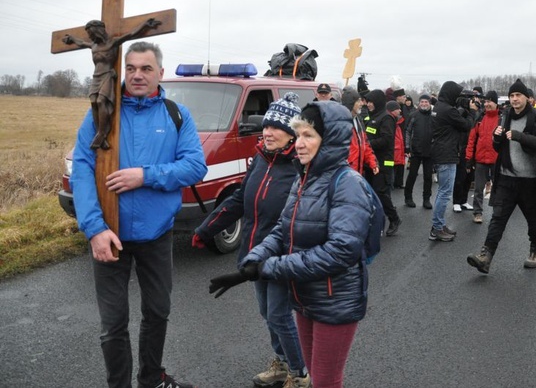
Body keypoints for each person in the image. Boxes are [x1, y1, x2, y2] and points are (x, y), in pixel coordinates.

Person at [71, 41, 207, 388]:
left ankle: (151, 378)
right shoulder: (102, 113)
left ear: (160, 73)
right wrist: (94, 229)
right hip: (109, 234)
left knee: (158, 311)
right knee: (113, 323)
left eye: (145, 68)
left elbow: (194, 166)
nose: (137, 75)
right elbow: (83, 170)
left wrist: (144, 175)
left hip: (157, 234)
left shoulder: (177, 115)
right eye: (130, 68)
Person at [209, 101, 373, 388]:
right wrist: (253, 261)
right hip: (306, 296)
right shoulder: (305, 178)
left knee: (325, 380)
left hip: (335, 301)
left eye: (308, 135)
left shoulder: (348, 184)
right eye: (298, 135)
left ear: (330, 139)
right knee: (311, 374)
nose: (299, 143)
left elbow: (341, 251)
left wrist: (270, 267)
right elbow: (282, 231)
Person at [193, 92, 310, 388]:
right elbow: (239, 200)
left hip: (282, 256)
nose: (268, 132)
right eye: (267, 126)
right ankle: (282, 363)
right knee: (266, 313)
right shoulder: (261, 160)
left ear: (292, 134)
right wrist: (207, 228)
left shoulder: (300, 169)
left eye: (277, 129)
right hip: (253, 253)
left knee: (279, 315)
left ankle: (300, 375)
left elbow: (298, 221)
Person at [467, 79, 536, 272]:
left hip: (529, 180)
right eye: (512, 95)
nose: (514, 99)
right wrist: (496, 138)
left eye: (518, 95)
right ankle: (485, 255)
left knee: (533, 219)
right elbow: (499, 146)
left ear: (526, 98)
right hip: (506, 177)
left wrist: (520, 136)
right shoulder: (505, 115)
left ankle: (535, 251)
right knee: (498, 218)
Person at [63, 18, 161, 149]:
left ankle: (102, 133)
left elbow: (131, 34)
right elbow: (81, 42)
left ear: (98, 31)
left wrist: (144, 24)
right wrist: (71, 39)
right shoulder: (93, 46)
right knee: (93, 102)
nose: (90, 36)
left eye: (91, 33)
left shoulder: (112, 43)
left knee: (101, 101)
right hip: (96, 77)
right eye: (89, 34)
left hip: (107, 75)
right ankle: (101, 134)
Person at [430, 81, 476, 242]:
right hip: (447, 155)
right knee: (444, 193)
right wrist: (471, 111)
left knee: (442, 192)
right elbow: (467, 125)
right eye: (457, 95)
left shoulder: (439, 107)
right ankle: (436, 228)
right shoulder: (448, 110)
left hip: (441, 152)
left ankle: (439, 224)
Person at [363, 89, 403, 236]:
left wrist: (366, 145)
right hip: (370, 162)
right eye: (367, 102)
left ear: (378, 102)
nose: (368, 105)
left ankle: (394, 218)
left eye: (371, 102)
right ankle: (376, 222)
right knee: (370, 193)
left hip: (384, 163)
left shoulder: (386, 118)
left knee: (381, 193)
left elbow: (386, 140)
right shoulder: (371, 117)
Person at [465, 90, 500, 223]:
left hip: (497, 159)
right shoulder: (479, 118)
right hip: (481, 159)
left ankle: (498, 213)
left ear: (495, 103)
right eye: (485, 101)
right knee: (479, 188)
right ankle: (477, 213)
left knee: (498, 189)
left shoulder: (502, 118)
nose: (487, 104)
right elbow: (472, 139)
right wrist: (469, 158)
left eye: (490, 101)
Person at [404, 94, 434, 209]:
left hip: (429, 151)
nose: (424, 104)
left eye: (426, 102)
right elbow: (407, 132)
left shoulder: (434, 115)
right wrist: (407, 147)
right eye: (422, 102)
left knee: (428, 176)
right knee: (412, 175)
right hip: (415, 150)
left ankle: (426, 199)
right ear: (419, 103)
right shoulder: (414, 115)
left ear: (429, 103)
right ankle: (408, 197)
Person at [340, 87, 379, 176]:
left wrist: (373, 163)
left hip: (357, 173)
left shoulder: (358, 120)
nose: (362, 103)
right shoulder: (341, 123)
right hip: (345, 174)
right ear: (351, 103)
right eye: (358, 101)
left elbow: (365, 144)